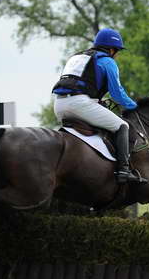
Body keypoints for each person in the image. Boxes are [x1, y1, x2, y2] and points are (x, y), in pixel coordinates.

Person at [52, 28, 142, 184]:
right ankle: (123, 170)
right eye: (117, 51)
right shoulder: (108, 61)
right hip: (79, 104)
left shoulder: (77, 57)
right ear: (111, 49)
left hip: (59, 104)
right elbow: (117, 94)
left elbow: (82, 84)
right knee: (122, 125)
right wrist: (134, 106)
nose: (117, 55)